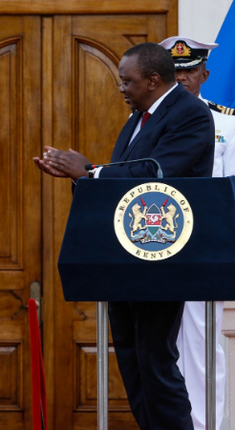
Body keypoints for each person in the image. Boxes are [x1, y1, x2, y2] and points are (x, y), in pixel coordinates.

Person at [34, 43, 214, 430]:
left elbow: (157, 175)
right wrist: (78, 174)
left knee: (155, 361)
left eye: (127, 81)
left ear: (152, 80)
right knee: (133, 359)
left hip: (162, 256)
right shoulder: (139, 117)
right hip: (127, 257)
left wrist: (90, 172)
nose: (121, 88)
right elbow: (126, 182)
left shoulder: (191, 114)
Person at [158, 36, 235, 430]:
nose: (183, 79)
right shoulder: (152, 122)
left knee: (203, 345)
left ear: (205, 73)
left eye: (189, 71)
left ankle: (207, 426)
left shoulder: (226, 122)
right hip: (159, 246)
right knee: (162, 347)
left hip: (206, 248)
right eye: (175, 72)